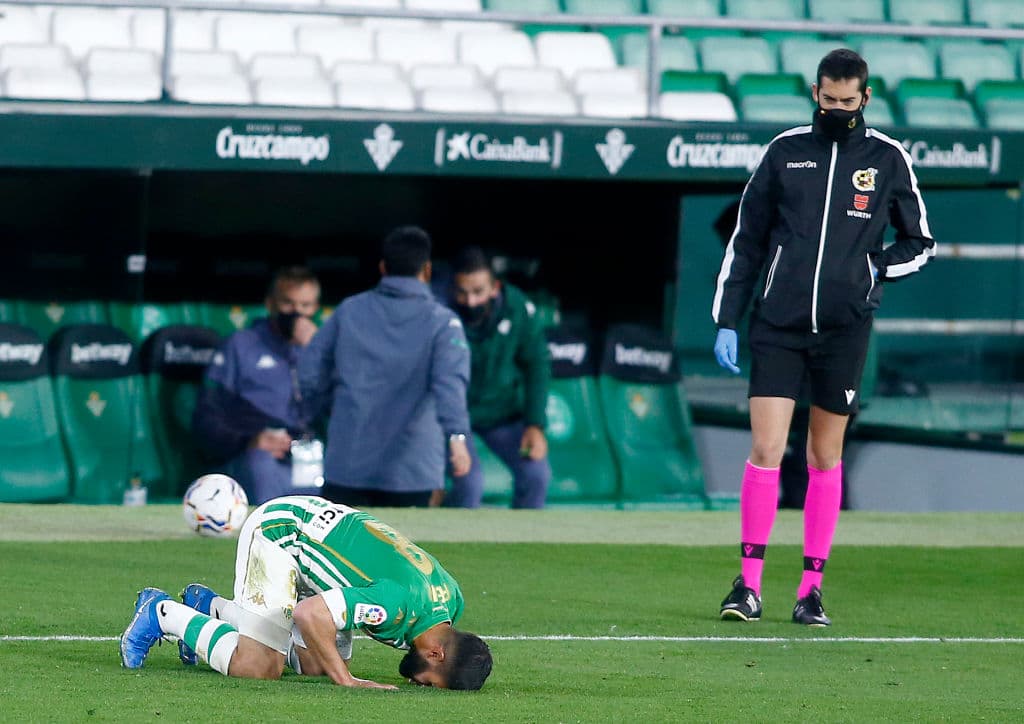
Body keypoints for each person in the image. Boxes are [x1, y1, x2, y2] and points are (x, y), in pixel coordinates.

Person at [711, 49, 935, 626]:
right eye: (828, 99)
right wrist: (727, 319)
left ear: (866, 98)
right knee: (766, 450)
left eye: (847, 101)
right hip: (777, 326)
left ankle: (810, 590)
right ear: (815, 93)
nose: (837, 109)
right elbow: (747, 240)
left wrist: (873, 269)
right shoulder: (784, 152)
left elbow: (921, 242)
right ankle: (748, 585)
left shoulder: (888, 159)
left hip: (844, 331)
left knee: (823, 455)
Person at [119, 495, 493, 690]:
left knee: (315, 664)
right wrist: (346, 681)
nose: (419, 683)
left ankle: (210, 607)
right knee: (259, 668)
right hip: (283, 534)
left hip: (318, 531)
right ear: (436, 653)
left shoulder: (450, 599)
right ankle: (162, 612)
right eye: (430, 682)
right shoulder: (393, 606)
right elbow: (310, 614)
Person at [298, 225, 472, 507]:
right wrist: (457, 436)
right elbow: (449, 384)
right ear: (427, 270)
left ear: (382, 267)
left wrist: (324, 413)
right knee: (404, 539)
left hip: (347, 463)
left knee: (342, 538)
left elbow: (309, 370)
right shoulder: (443, 322)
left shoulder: (348, 311)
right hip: (412, 471)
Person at [192, 266, 323, 505]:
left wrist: (318, 351)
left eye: (305, 305)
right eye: (288, 303)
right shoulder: (241, 345)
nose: (297, 313)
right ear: (270, 304)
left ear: (315, 308)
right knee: (260, 464)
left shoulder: (321, 348)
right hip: (257, 455)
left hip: (310, 457)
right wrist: (249, 440)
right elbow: (206, 417)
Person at [444, 246, 551, 509]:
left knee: (536, 476)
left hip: (502, 414)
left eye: (478, 291)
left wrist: (535, 425)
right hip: (455, 419)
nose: (470, 301)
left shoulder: (517, 307)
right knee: (469, 485)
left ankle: (524, 535)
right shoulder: (440, 312)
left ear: (495, 288)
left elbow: (537, 364)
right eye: (462, 292)